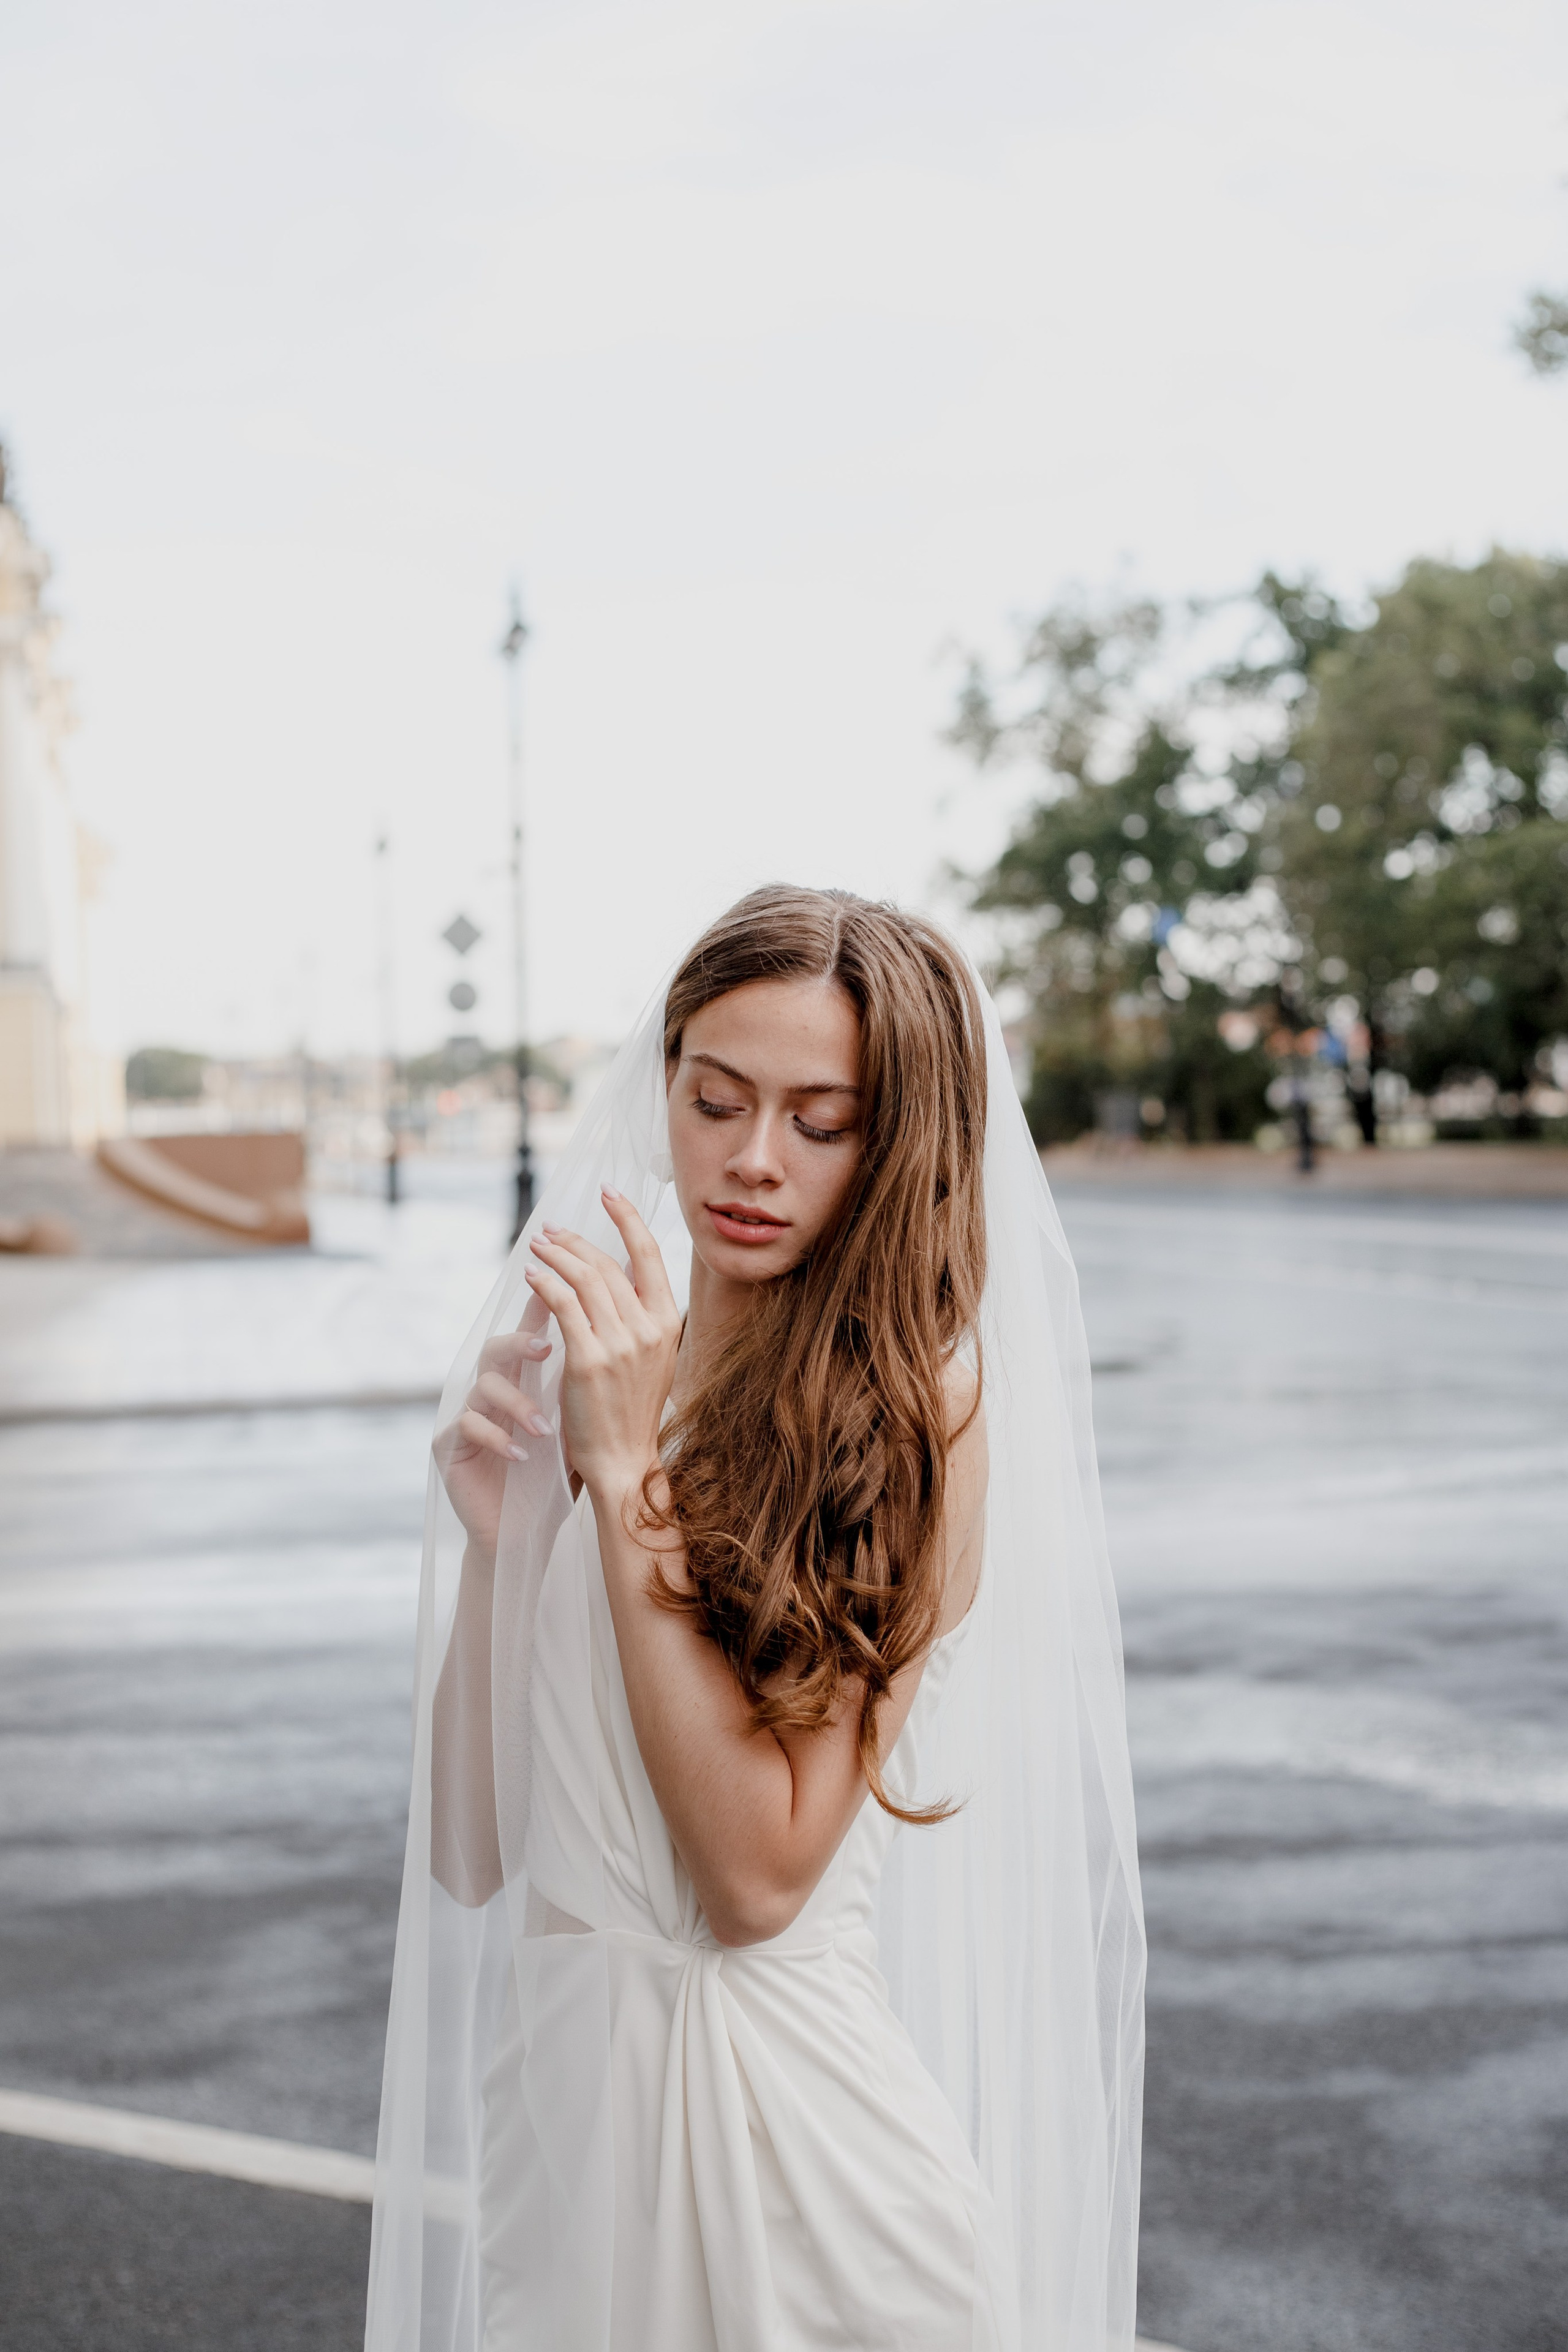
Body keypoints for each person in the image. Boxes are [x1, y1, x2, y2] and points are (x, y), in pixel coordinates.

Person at [364, 886, 1144, 2352]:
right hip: (564, 2134)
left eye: (819, 1120)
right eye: (713, 1098)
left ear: (896, 1138)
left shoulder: (921, 1414)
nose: (749, 1160)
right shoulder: (606, 1354)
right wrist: (504, 1545)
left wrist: (622, 1477)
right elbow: (472, 1852)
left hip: (795, 2163)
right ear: (661, 1078)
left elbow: (755, 1880)